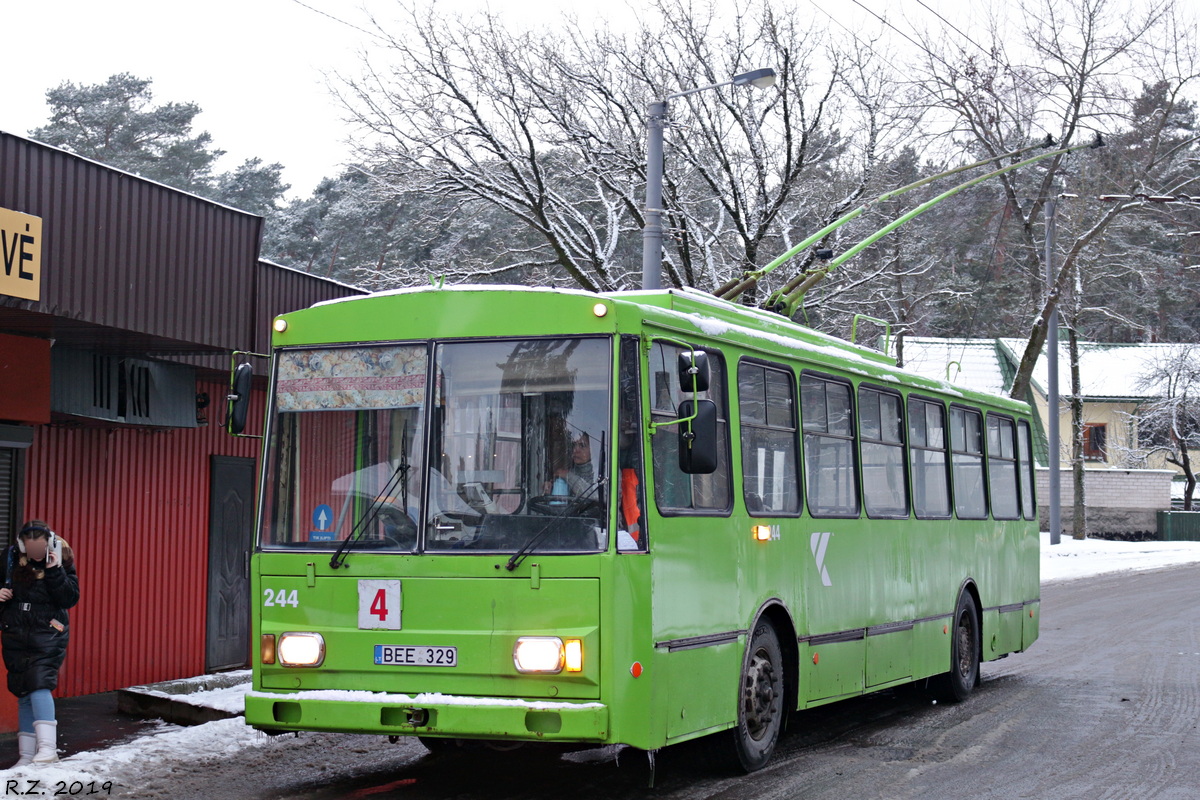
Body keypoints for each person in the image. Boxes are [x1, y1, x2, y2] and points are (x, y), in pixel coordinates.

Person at [0, 520, 79, 766]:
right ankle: (26, 755)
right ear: (22, 545)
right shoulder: (10, 558)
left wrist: (55, 570)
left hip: (48, 629)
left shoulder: (61, 556)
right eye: (30, 548)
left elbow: (69, 597)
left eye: (40, 548)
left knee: (39, 683)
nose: (35, 553)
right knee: (22, 688)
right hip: (16, 629)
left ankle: (48, 749)